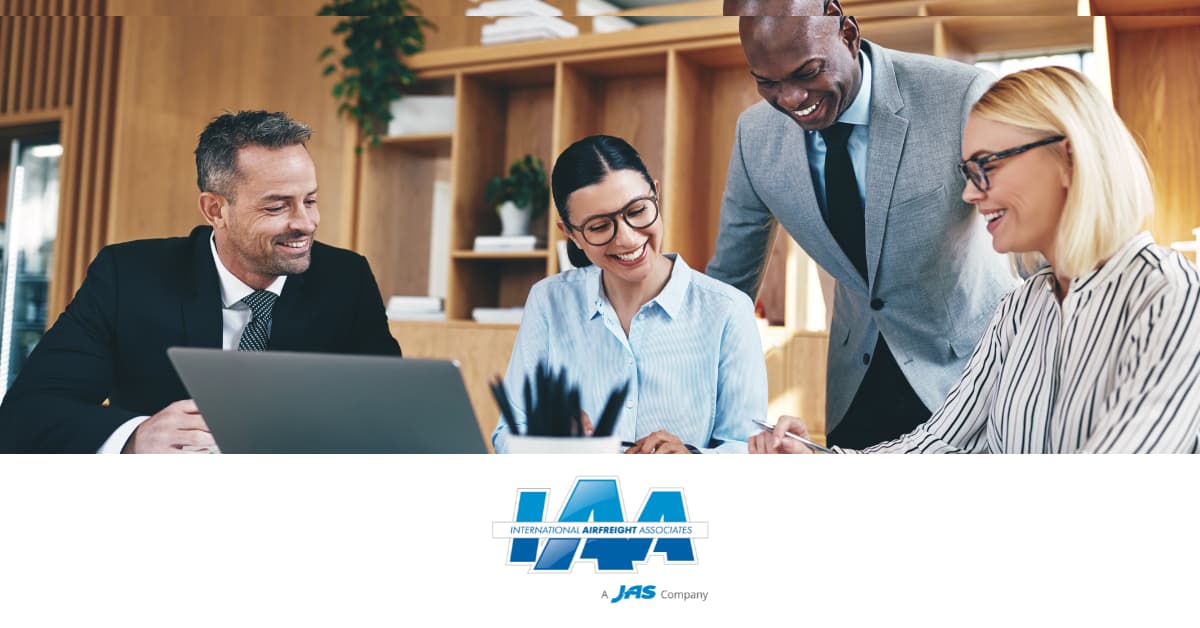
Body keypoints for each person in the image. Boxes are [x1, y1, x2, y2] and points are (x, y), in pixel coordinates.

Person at [751, 66, 1200, 454]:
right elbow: (943, 441)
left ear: (1068, 156)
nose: (969, 193)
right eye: (967, 173)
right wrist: (819, 464)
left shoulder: (1169, 297)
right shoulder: (1020, 308)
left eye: (987, 165)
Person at [710, 1, 1018, 448]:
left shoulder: (960, 95)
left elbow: (1029, 239)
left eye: (807, 71)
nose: (791, 98)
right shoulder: (754, 136)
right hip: (854, 387)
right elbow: (729, 285)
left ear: (849, 35)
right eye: (767, 82)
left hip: (971, 377)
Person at [0, 110, 401, 454]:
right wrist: (134, 438)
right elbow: (29, 412)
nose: (306, 223)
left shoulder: (346, 279)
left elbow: (391, 412)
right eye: (277, 206)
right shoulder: (129, 275)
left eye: (310, 200)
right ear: (215, 209)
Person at [492, 135, 765, 454]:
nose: (627, 238)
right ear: (570, 233)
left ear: (657, 195)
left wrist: (693, 460)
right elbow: (508, 433)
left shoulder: (728, 310)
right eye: (598, 227)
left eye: (637, 211)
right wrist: (549, 442)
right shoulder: (548, 302)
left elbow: (745, 449)